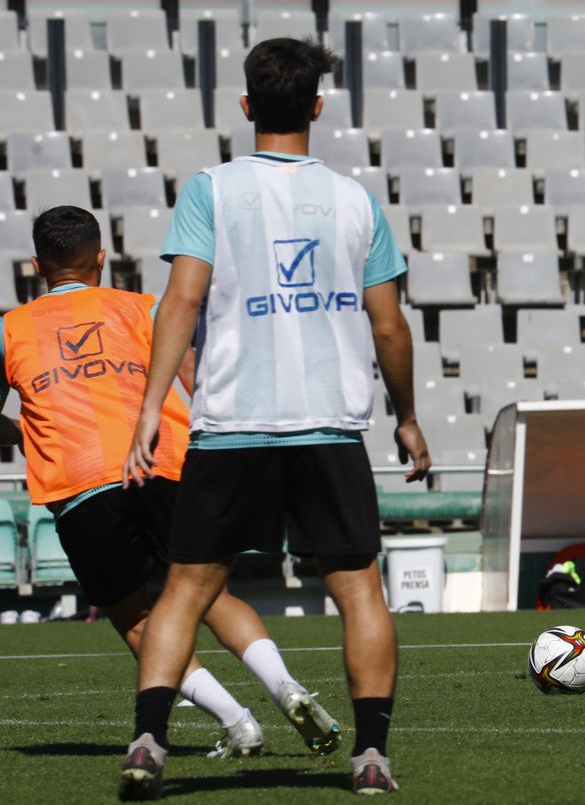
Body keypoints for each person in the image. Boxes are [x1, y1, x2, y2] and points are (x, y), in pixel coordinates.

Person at [117, 38, 431, 799]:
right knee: (358, 589)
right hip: (328, 425)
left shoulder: (211, 190)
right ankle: (371, 759)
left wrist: (152, 408)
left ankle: (150, 739)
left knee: (186, 588)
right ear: (318, 107)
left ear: (247, 105)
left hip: (233, 424)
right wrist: (408, 417)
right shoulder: (355, 200)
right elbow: (390, 327)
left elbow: (181, 303)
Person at [1, 206, 335, 761]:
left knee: (135, 615)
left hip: (79, 484)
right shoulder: (144, 307)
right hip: (164, 466)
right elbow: (198, 382)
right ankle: (286, 686)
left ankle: (236, 720)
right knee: (208, 594)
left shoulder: (11, 329)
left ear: (36, 265)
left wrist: (19, 431)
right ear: (102, 259)